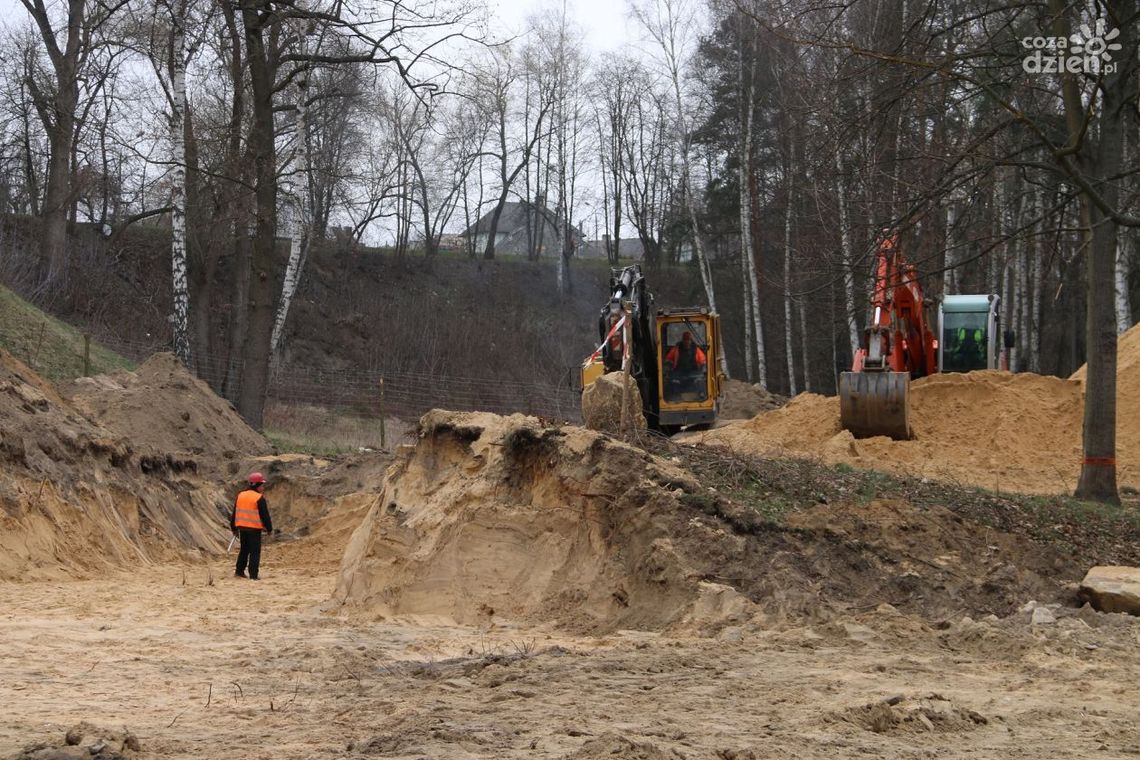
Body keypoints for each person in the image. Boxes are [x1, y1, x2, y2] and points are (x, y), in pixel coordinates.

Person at [231, 472, 274, 580]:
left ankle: (239, 571)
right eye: (262, 485)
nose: (263, 488)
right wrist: (269, 529)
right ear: (257, 485)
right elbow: (265, 516)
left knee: (244, 550)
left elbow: (234, 513)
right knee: (254, 552)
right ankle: (253, 575)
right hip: (254, 529)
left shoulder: (240, 495)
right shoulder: (259, 498)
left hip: (242, 528)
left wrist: (233, 528)